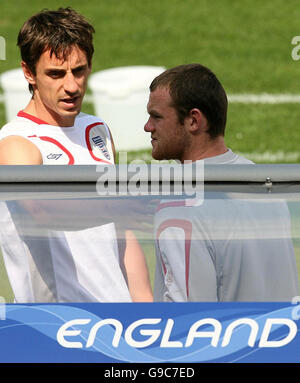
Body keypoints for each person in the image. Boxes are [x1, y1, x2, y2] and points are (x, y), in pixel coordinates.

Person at [0, 7, 153, 303]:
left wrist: (143, 302)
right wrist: (116, 207)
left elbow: (121, 231)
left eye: (79, 70)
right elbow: (40, 212)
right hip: (58, 325)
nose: (71, 86)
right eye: (56, 74)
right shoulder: (16, 143)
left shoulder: (97, 130)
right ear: (29, 73)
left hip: (117, 316)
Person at [144, 63, 299, 302]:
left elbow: (191, 322)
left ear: (193, 121)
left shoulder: (179, 211)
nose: (148, 127)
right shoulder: (262, 182)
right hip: (283, 337)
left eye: (156, 116)